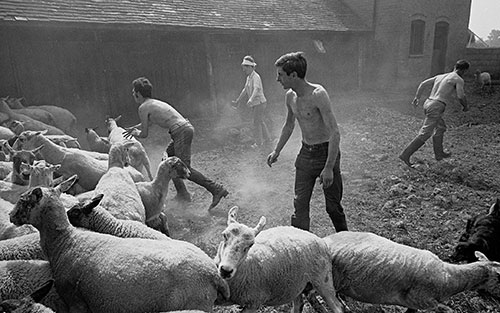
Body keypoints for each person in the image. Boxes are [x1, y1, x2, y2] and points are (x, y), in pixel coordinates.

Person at [266, 52, 348, 232]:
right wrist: (277, 151)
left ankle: (345, 241)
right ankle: (302, 246)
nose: (277, 79)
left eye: (280, 74)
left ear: (293, 75)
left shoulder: (318, 94)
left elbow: (335, 132)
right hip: (305, 153)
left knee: (333, 207)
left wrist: (328, 168)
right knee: (299, 205)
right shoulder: (290, 96)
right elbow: (288, 125)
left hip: (325, 153)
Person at [123, 77, 228, 210]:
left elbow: (144, 134)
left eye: (133, 92)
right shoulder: (153, 103)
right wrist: (135, 128)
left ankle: (216, 189)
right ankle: (182, 193)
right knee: (167, 161)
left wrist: (135, 133)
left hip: (180, 131)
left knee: (185, 169)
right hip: (183, 128)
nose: (133, 94)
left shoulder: (143, 107)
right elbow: (149, 122)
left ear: (138, 93)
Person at [399, 59, 470, 167]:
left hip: (428, 102)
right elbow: (461, 96)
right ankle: (405, 154)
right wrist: (465, 106)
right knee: (426, 132)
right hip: (437, 105)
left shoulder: (440, 76)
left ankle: (439, 154)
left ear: (455, 67)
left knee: (440, 127)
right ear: (464, 70)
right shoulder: (458, 79)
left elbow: (423, 84)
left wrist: (417, 98)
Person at [232, 55, 271, 148]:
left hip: (260, 103)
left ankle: (258, 143)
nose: (243, 70)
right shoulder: (249, 77)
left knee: (256, 123)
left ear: (250, 67)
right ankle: (268, 139)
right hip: (256, 103)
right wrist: (238, 100)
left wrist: (250, 99)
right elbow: (245, 90)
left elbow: (256, 89)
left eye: (245, 67)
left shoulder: (256, 77)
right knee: (260, 121)